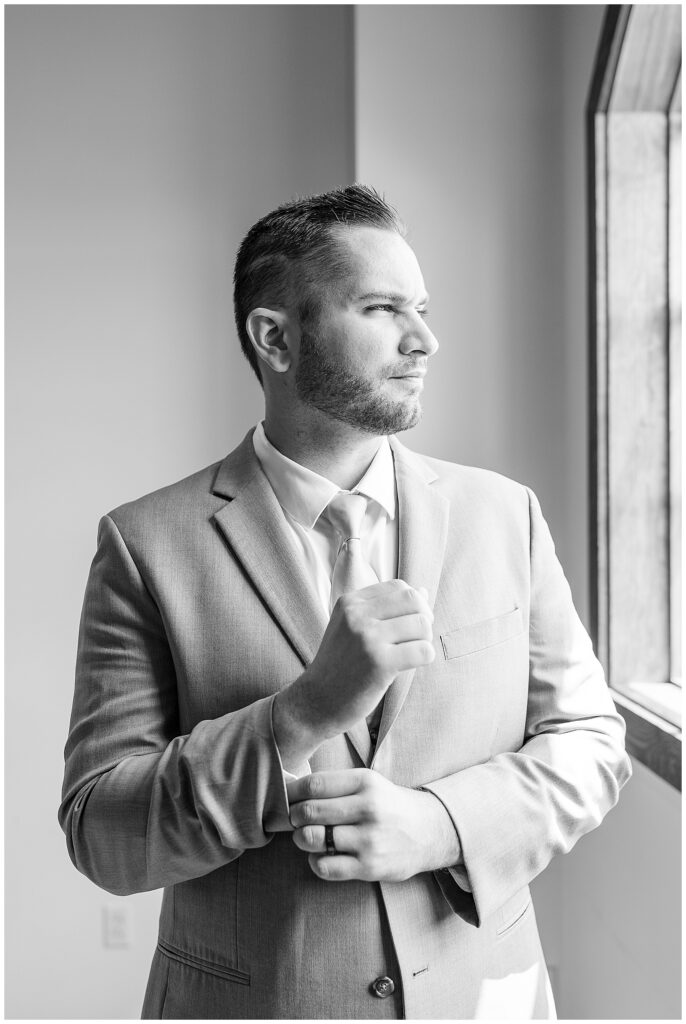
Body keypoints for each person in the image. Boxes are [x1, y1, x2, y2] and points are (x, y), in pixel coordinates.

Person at [60, 184, 631, 1020]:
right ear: (276, 337)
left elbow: (591, 740)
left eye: (423, 308)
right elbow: (102, 835)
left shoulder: (507, 516)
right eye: (382, 307)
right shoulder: (144, 547)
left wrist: (439, 826)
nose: (425, 338)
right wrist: (297, 717)